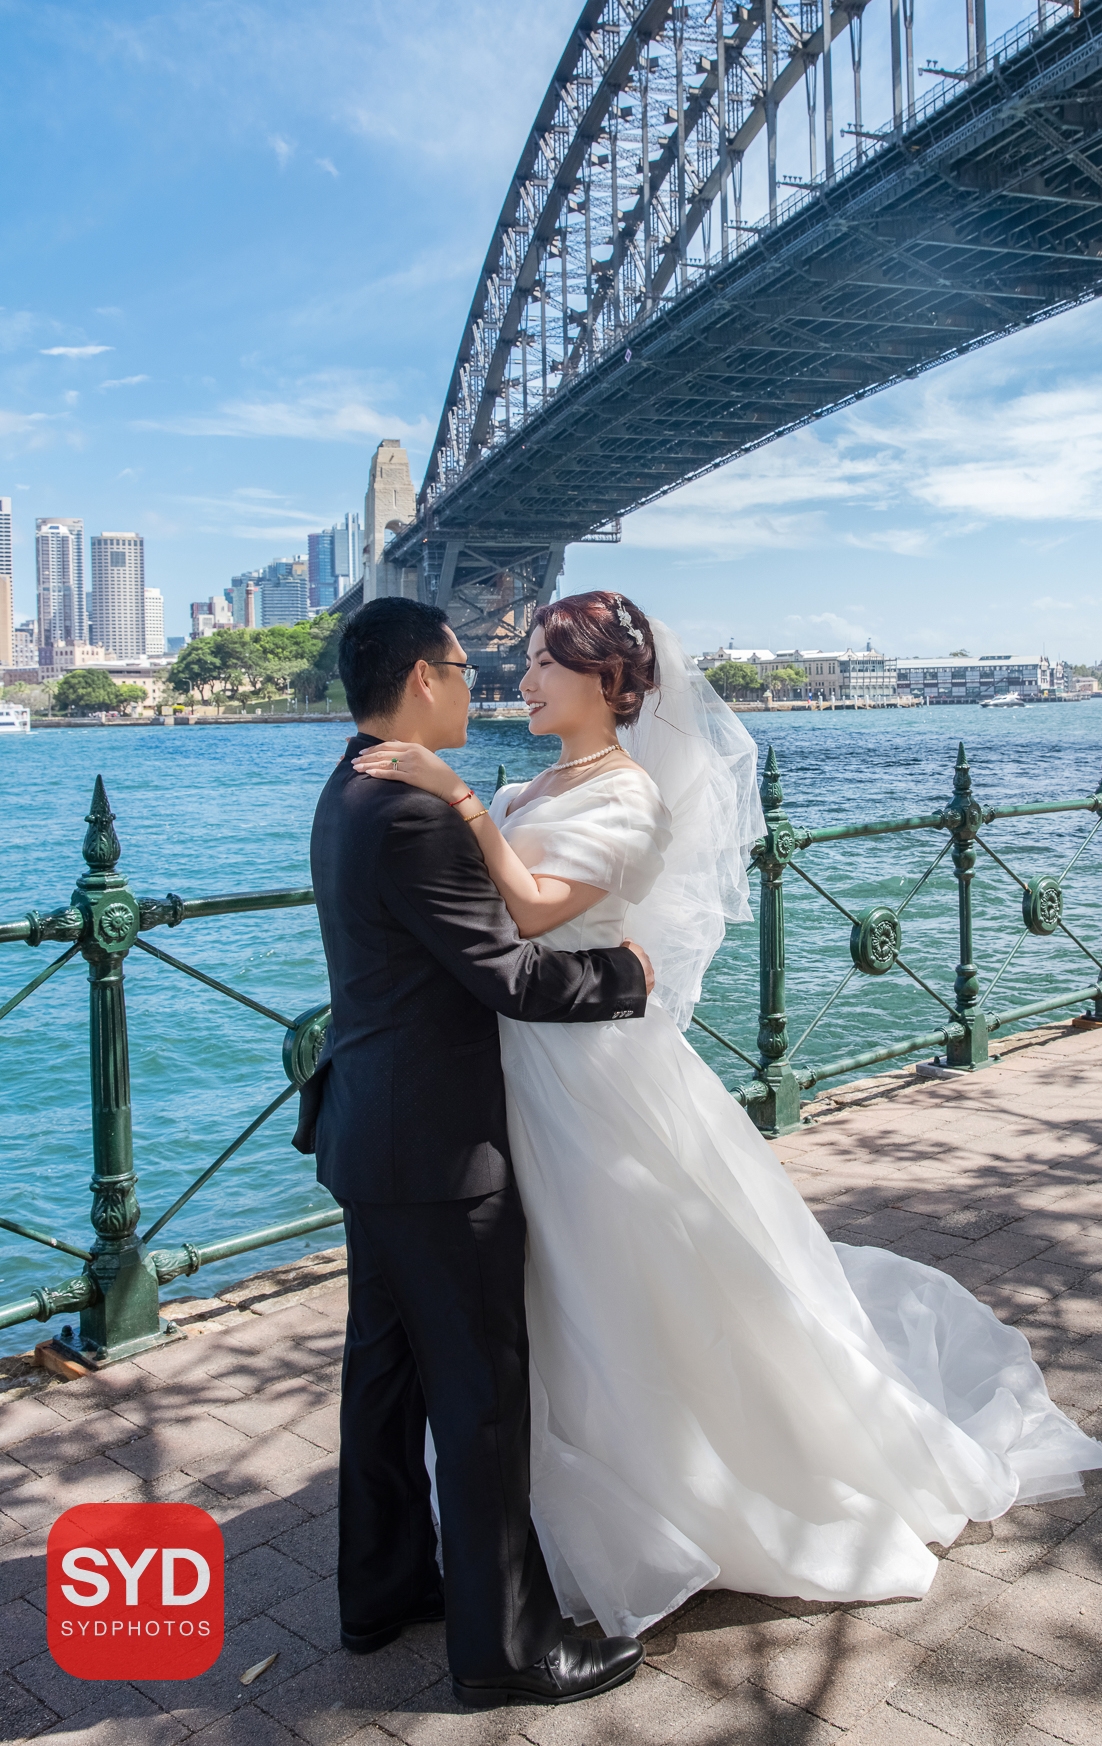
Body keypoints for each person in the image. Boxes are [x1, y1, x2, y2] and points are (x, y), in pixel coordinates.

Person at [352, 591, 1102, 1639]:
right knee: (552, 1285)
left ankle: (678, 1488)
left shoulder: (628, 796)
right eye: (524, 661)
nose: (519, 682)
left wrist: (459, 801)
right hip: (519, 1060)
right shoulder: (537, 783)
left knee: (614, 1269)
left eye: (543, 664)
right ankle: (545, 1504)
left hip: (588, 1069)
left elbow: (529, 910)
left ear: (607, 681)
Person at [301, 596, 652, 1710]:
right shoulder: (414, 810)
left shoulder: (350, 785)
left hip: (370, 1130)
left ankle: (383, 1591)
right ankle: (505, 1649)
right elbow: (508, 974)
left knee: (386, 1377)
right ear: (421, 678)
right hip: (438, 1147)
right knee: (480, 1393)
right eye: (463, 668)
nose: (481, 683)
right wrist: (626, 975)